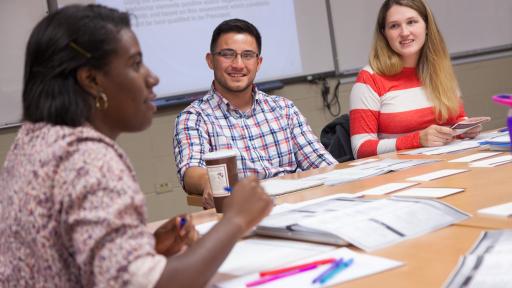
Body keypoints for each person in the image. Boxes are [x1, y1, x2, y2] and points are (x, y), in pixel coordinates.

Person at [0, 5, 272, 288]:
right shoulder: (88, 160)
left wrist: (147, 251)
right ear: (91, 80)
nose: (152, 78)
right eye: (135, 64)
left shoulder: (34, 140)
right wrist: (236, 220)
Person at [173, 19, 337, 208]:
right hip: (244, 214)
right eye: (227, 54)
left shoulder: (283, 108)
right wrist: (208, 182)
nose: (238, 64)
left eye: (248, 55)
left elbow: (320, 161)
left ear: (258, 63)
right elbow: (191, 171)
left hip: (302, 206)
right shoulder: (194, 117)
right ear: (210, 60)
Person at [349, 0, 482, 159]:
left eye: (411, 22)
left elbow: (457, 119)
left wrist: (465, 130)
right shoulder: (369, 78)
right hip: (401, 176)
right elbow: (361, 149)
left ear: (426, 26)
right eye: (394, 26)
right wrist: (417, 140)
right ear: (384, 33)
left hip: (449, 165)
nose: (404, 32)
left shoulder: (440, 70)